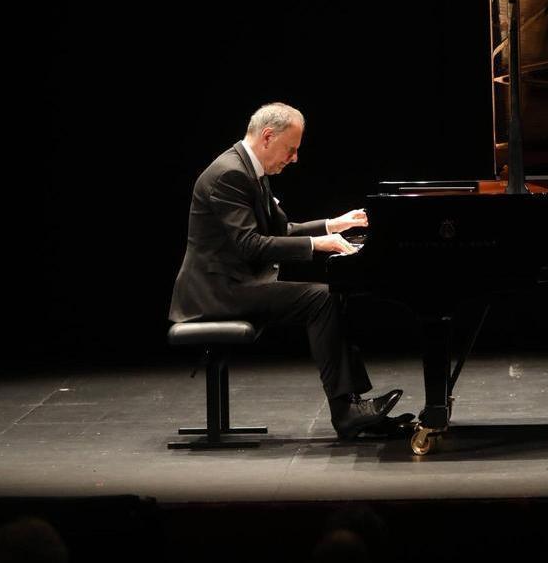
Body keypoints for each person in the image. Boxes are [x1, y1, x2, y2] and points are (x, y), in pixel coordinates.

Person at [169, 102, 402, 440]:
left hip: (235, 284)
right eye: (291, 149)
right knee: (320, 299)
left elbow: (281, 230)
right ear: (267, 137)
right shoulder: (229, 175)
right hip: (216, 292)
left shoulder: (252, 171)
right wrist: (319, 245)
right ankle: (346, 411)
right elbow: (251, 244)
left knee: (328, 297)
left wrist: (332, 225)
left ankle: (351, 405)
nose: (294, 158)